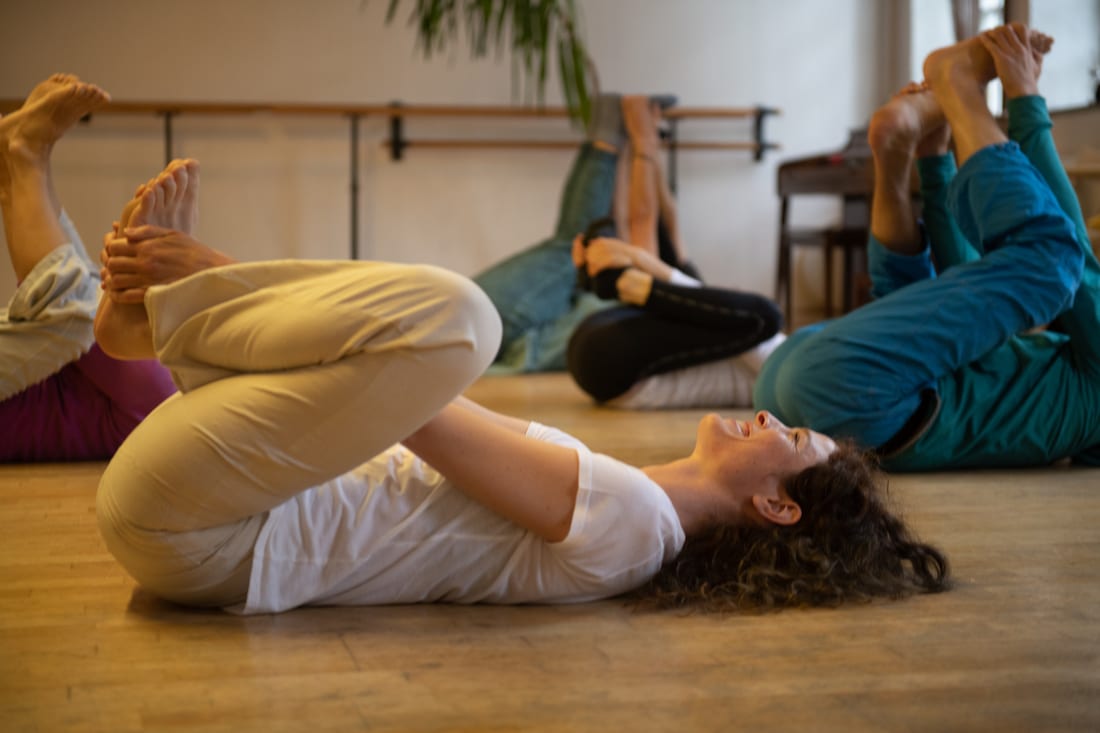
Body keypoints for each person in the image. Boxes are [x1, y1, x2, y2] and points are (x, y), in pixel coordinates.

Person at [93, 160, 947, 614]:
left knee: (465, 322)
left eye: (790, 438)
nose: (771, 414)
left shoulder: (641, 526)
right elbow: (394, 408)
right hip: (223, 501)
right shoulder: (634, 504)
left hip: (214, 534)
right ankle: (169, 320)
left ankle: (189, 299)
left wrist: (252, 285)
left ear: (778, 505)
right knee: (445, 337)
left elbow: (418, 413)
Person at [755, 24, 1100, 471]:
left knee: (1054, 259)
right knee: (983, 292)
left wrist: (1026, 102)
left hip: (852, 387)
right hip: (806, 387)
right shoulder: (1067, 405)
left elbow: (1070, 247)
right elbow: (967, 285)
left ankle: (956, 82)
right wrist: (935, 160)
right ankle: (898, 151)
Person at [0, 74, 177, 461]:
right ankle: (17, 173)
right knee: (152, 393)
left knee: (77, 318)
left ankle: (25, 160)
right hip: (74, 403)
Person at [473, 94, 702, 373]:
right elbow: (639, 217)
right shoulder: (678, 285)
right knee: (577, 242)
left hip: (507, 339)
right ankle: (607, 131)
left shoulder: (657, 296)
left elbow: (641, 220)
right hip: (514, 341)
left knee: (572, 244)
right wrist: (634, 141)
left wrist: (644, 143)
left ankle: (606, 130)